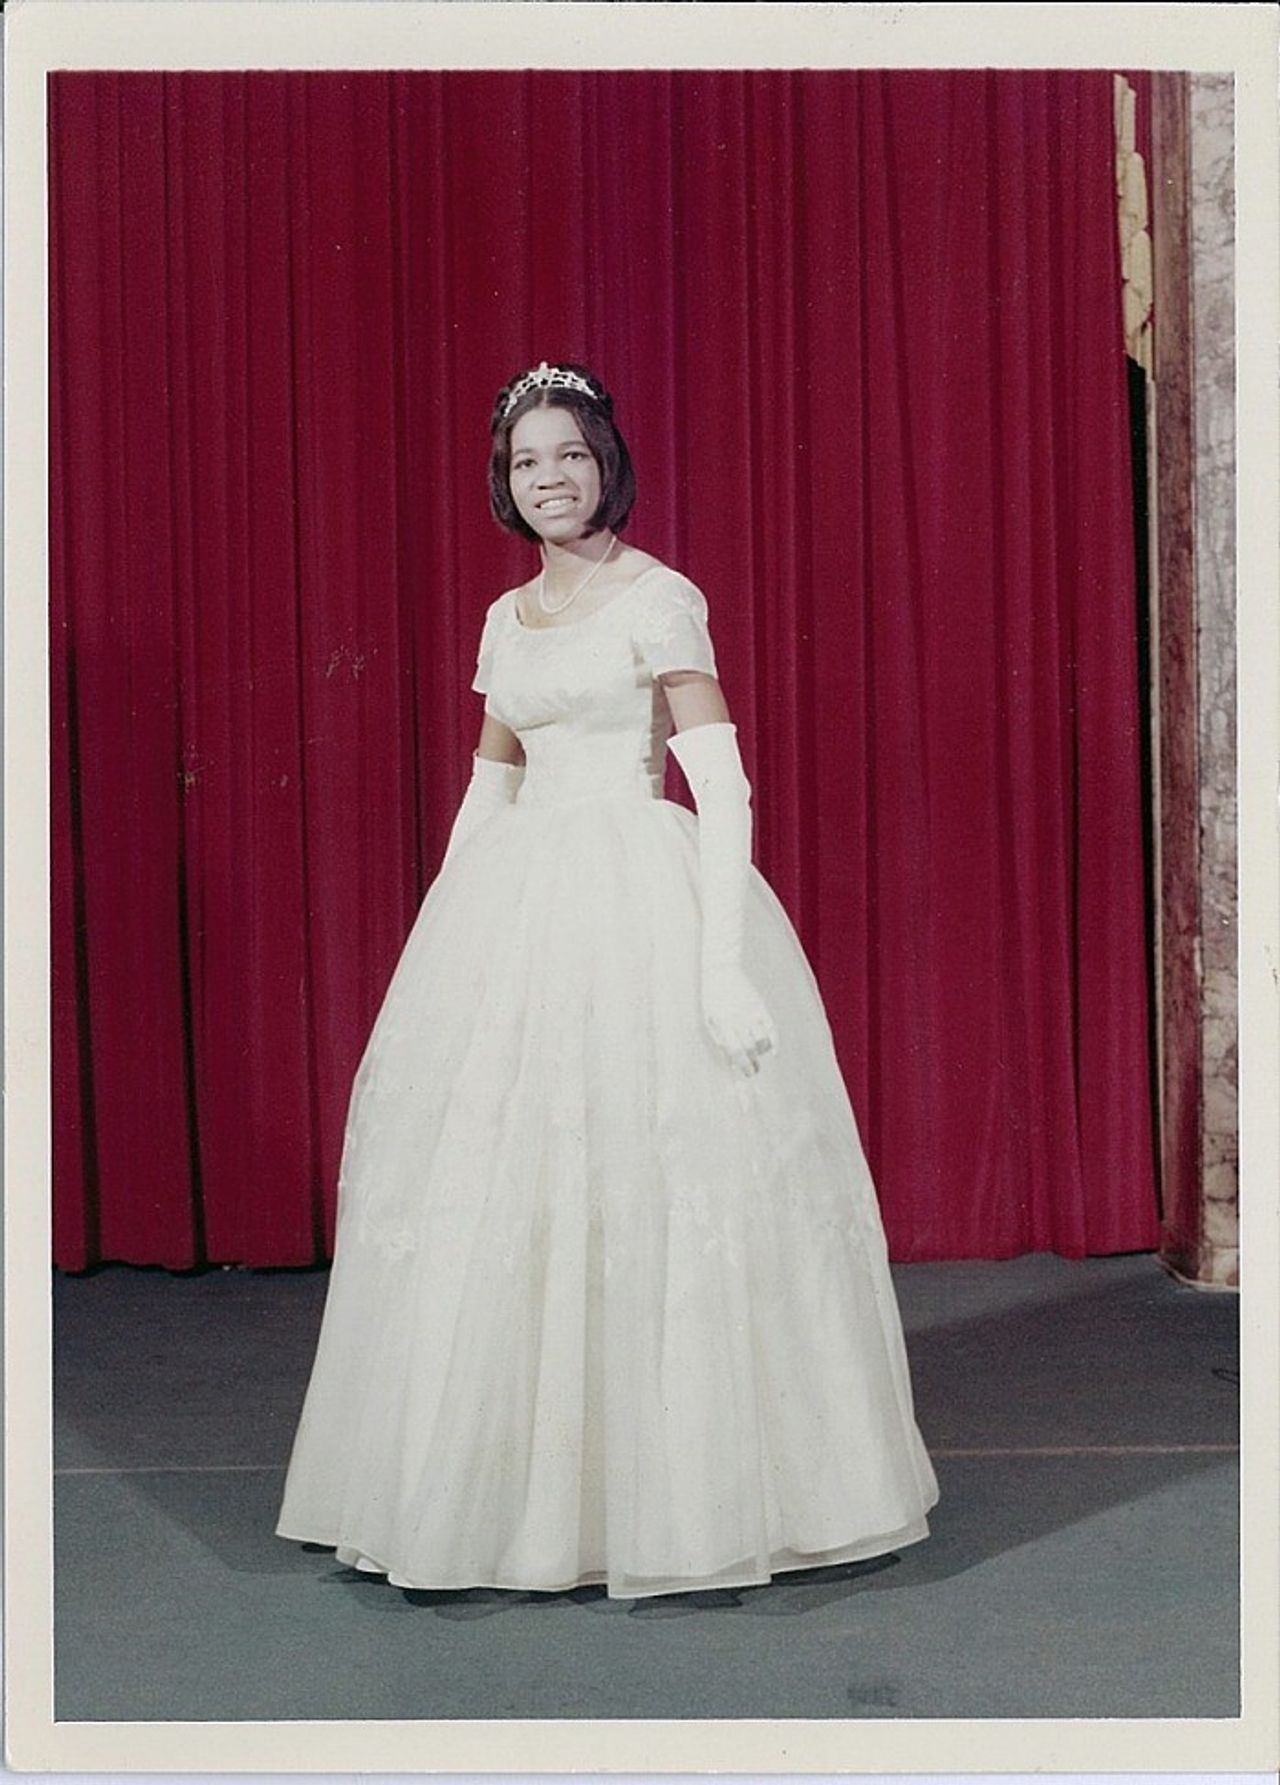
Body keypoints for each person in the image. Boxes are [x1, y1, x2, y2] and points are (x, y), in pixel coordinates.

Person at [275, 360, 939, 1599]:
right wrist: (443, 940)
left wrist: (719, 964)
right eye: (527, 462)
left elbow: (722, 785)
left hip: (638, 885)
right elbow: (492, 779)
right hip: (519, 907)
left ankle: (680, 1497)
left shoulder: (658, 599)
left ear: (606, 464)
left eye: (568, 456)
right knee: (510, 1183)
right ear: (504, 481)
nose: (550, 481)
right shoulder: (500, 618)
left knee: (656, 1174)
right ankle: (509, 1501)